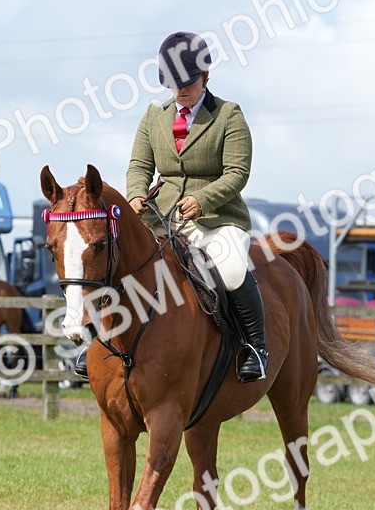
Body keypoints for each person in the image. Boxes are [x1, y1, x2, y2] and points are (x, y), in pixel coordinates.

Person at [73, 30, 262, 383]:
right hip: (160, 218)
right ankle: (97, 342)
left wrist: (203, 200)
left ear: (206, 76)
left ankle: (254, 347)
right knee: (118, 263)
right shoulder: (153, 117)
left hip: (217, 218)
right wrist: (134, 196)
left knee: (234, 269)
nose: (181, 91)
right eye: (174, 84)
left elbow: (237, 172)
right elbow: (139, 166)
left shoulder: (228, 115)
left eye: (188, 83)